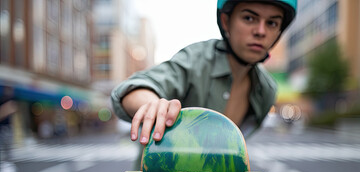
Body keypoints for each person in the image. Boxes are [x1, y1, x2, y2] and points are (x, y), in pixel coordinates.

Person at [111, 0, 297, 146]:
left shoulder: (266, 90)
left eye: (272, 23)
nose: (261, 31)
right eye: (249, 18)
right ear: (226, 21)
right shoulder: (196, 59)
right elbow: (134, 88)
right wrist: (153, 105)